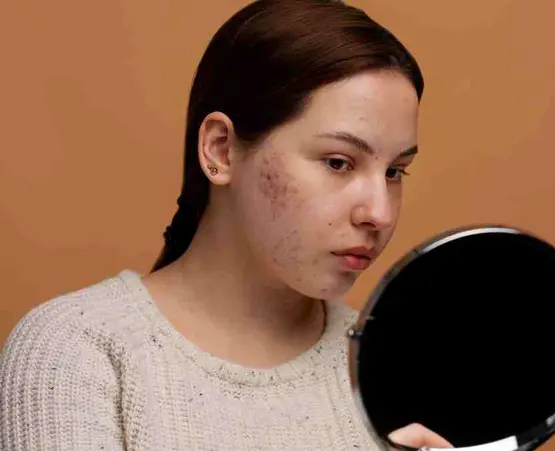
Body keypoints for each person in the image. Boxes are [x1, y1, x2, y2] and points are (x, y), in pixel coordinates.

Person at [0, 1, 453, 449]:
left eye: (395, 171)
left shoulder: (393, 368)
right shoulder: (77, 350)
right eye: (338, 162)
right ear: (221, 149)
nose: (380, 213)